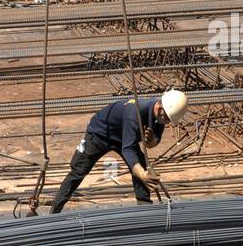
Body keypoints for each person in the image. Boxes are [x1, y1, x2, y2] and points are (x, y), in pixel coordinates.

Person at [49, 89, 189, 213]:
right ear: (160, 107)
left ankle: (144, 207)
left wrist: (150, 140)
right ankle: (55, 211)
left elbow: (152, 143)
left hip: (123, 136)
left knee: (140, 163)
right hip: (100, 134)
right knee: (78, 171)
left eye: (169, 121)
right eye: (167, 120)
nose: (167, 123)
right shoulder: (136, 112)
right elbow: (128, 149)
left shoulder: (161, 116)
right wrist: (142, 174)